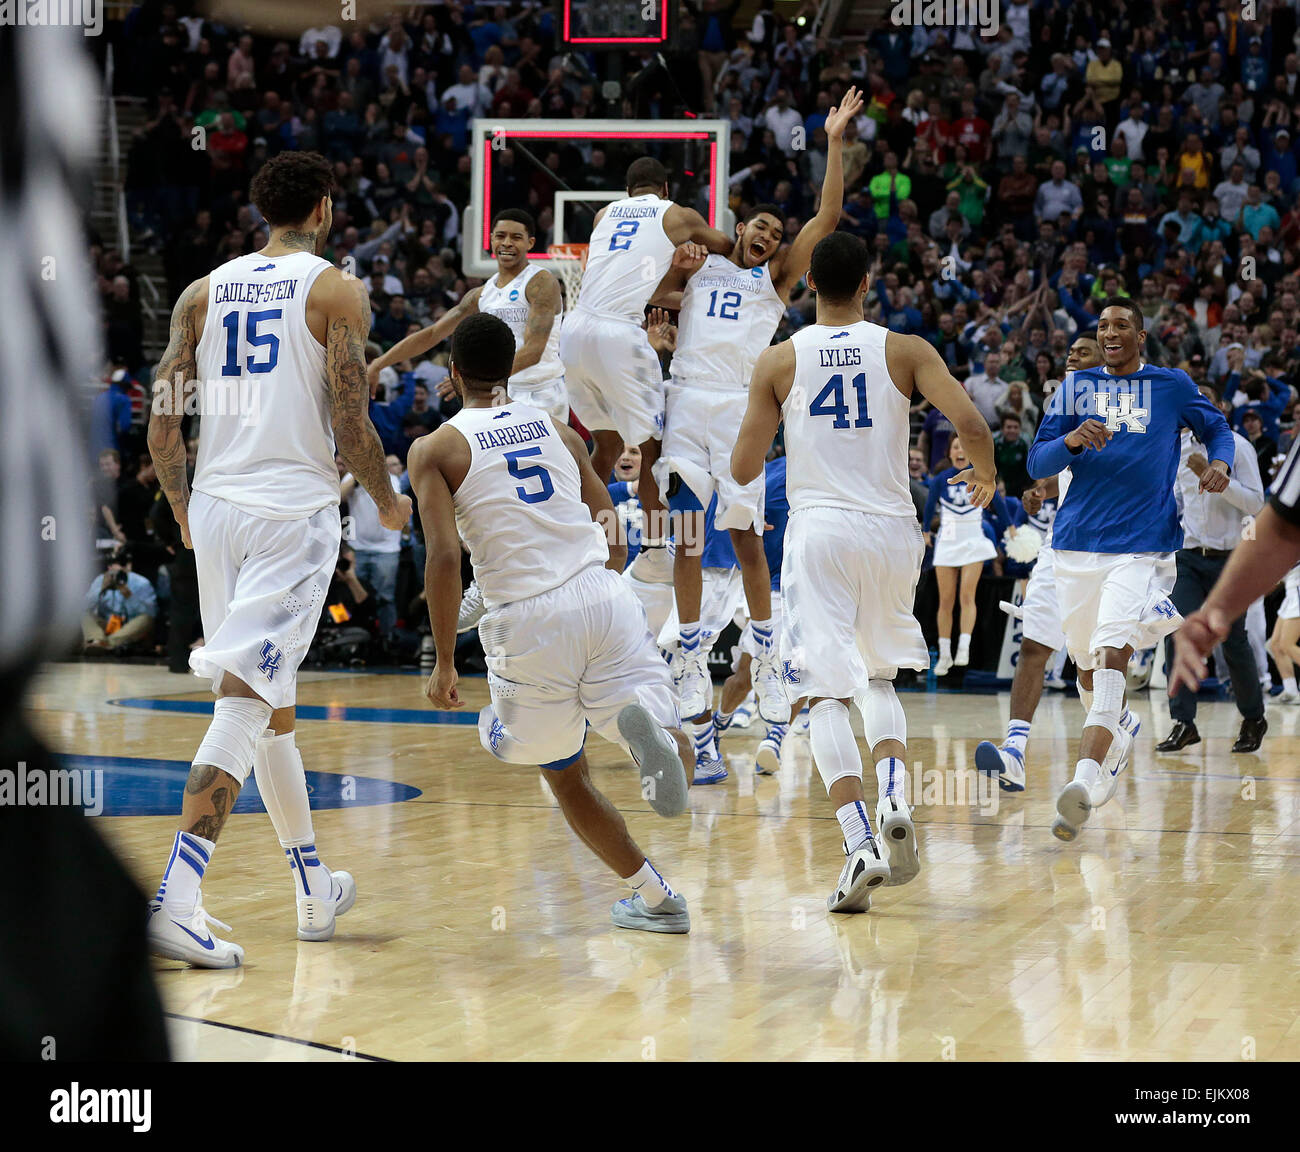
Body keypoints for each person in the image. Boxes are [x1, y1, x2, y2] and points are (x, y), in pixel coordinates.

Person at [145, 151, 412, 967]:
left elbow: (164, 412)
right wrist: (389, 500)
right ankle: (176, 898)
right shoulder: (336, 289)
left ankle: (312, 885)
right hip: (290, 512)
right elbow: (350, 419)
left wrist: (184, 504)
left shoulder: (202, 291)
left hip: (221, 508)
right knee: (246, 699)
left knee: (274, 704)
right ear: (326, 210)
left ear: (263, 212)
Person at [732, 232, 996, 912]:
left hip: (819, 530)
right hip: (891, 532)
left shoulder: (779, 360)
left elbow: (742, 467)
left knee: (824, 696)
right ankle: (898, 799)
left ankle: (858, 844)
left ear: (808, 286)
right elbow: (971, 421)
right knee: (878, 677)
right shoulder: (905, 349)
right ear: (869, 284)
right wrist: (987, 472)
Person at [409, 311, 695, 933]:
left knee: (558, 770)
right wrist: (608, 572)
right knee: (657, 724)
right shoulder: (557, 430)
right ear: (511, 366)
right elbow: (608, 519)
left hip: (527, 616)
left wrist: (443, 660)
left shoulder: (437, 448)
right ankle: (652, 743)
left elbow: (444, 557)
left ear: (452, 375)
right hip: (601, 592)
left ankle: (656, 896)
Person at [647, 86, 864, 730]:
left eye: (775, 233)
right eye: (759, 227)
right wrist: (663, 307)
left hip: (741, 410)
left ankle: (767, 651)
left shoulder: (773, 282)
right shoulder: (700, 262)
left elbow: (827, 218)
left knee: (744, 537)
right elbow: (652, 294)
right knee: (686, 533)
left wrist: (831, 141)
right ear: (739, 229)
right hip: (686, 402)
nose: (768, 237)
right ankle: (689, 656)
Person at [1028, 298, 1234, 842]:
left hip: (1141, 546)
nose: (1111, 332)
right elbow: (1036, 462)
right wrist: (1070, 440)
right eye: (1103, 326)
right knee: (1085, 669)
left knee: (1113, 649)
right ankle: (1116, 739)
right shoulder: (1074, 388)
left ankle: (1086, 773)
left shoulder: (1171, 385)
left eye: (1122, 325)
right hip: (1074, 546)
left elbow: (1218, 429)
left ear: (1141, 336)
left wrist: (1220, 462)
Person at [558, 156, 735, 584]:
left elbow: (633, 279)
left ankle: (578, 540)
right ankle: (656, 552)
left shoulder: (603, 215)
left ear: (627, 190)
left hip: (574, 328)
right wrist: (693, 253)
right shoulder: (679, 214)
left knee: (604, 446)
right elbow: (732, 250)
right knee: (650, 451)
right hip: (618, 333)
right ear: (667, 188)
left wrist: (672, 266)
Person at [975, 336, 1103, 791]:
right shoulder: (1064, 411)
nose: (1071, 356)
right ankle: (1014, 752)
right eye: (1069, 352)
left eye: (1082, 353)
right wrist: (1039, 491)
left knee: (1090, 664)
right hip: (1058, 545)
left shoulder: (1124, 408)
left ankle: (1117, 726)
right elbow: (1059, 475)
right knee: (1034, 646)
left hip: (1107, 549)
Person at [367, 209, 567, 423]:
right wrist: (379, 363)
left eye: (516, 237)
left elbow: (533, 351)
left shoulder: (540, 281)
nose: (507, 242)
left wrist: (475, 380)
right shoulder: (482, 294)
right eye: (500, 236)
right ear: (491, 239)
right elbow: (433, 333)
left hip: (539, 392)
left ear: (530, 243)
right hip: (498, 392)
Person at [1156, 417, 1267, 753]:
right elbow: (1175, 500)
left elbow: (1256, 503)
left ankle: (1253, 718)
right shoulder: (1180, 450)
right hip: (1189, 555)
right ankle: (1183, 723)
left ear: (1218, 408)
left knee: (1233, 641)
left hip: (1231, 559)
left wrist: (1214, 477)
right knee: (1177, 630)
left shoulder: (1239, 447)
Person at [923, 433, 1013, 675]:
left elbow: (1000, 503)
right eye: (955, 447)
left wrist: (1010, 527)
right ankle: (944, 653)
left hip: (973, 538)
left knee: (966, 595)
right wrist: (924, 532)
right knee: (946, 600)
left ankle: (963, 646)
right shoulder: (940, 479)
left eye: (963, 447)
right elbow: (930, 506)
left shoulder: (980, 474)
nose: (960, 451)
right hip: (948, 539)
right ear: (950, 453)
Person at [82, 550, 158, 655]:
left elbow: (151, 613)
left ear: (128, 566)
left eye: (120, 564)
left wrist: (129, 596)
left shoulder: (142, 583)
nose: (115, 568)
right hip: (108, 624)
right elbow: (83, 606)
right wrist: (100, 590)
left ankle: (104, 644)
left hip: (130, 625)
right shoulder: (100, 580)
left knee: (146, 619)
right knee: (84, 614)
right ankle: (98, 640)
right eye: (112, 564)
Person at [1267, 561, 1300, 703]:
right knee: (1274, 645)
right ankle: (1291, 691)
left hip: (1298, 583)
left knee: (1287, 645)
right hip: (1291, 587)